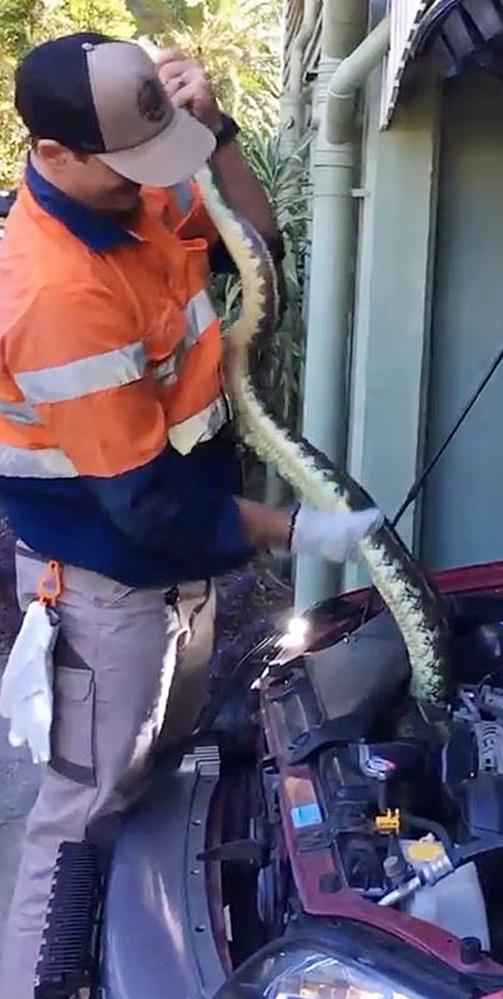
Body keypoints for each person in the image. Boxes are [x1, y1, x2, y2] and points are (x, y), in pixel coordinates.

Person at [0, 33, 381, 998]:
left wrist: (215, 133)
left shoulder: (133, 187)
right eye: (133, 164)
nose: (153, 184)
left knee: (160, 775)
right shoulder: (55, 292)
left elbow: (259, 247)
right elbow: (142, 507)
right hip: (106, 586)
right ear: (54, 156)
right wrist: (292, 531)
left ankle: (128, 946)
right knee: (85, 804)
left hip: (181, 563)